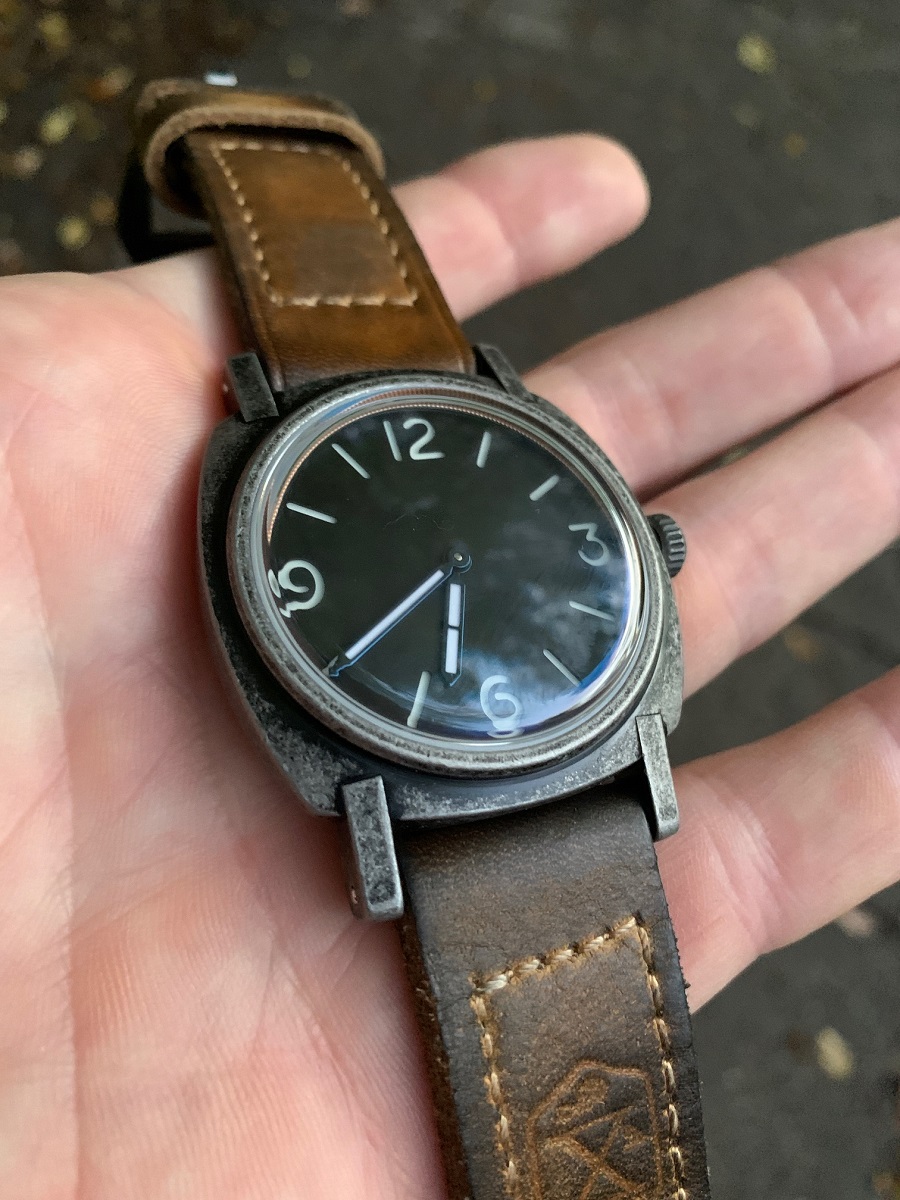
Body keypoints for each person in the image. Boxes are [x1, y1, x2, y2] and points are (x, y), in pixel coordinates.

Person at [1, 132, 897, 1196]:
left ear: (648, 554)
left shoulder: (534, 476)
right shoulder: (275, 456)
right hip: (411, 782)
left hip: (588, 747)